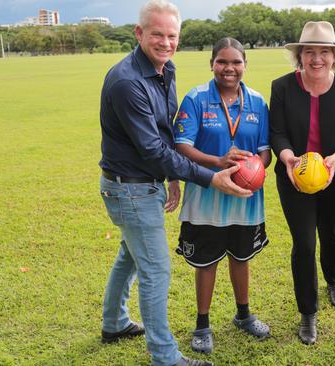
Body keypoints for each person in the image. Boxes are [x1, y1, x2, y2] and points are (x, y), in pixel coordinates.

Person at [98, 1, 251, 365]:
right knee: (155, 269)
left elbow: (165, 131)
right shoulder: (126, 82)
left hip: (141, 184)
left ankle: (115, 323)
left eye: (172, 36)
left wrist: (173, 178)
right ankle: (166, 358)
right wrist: (211, 177)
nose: (165, 42)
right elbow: (152, 149)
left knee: (129, 257)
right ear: (139, 33)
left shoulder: (164, 70)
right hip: (130, 188)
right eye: (157, 34)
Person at [173, 37, 271, 354]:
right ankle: (202, 324)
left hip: (245, 197)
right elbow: (181, 146)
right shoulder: (196, 98)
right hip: (206, 197)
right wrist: (218, 163)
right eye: (222, 62)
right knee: (206, 262)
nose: (229, 68)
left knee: (241, 258)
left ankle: (243, 315)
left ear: (245, 65)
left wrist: (255, 167)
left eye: (236, 62)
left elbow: (265, 151)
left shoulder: (257, 102)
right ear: (212, 63)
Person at [269, 21, 335, 345]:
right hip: (294, 177)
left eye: (324, 52)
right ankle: (308, 313)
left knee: (332, 233)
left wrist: (334, 160)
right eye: (310, 51)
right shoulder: (281, 87)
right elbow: (277, 132)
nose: (317, 58)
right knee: (305, 243)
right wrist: (288, 159)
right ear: (300, 56)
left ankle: (334, 280)